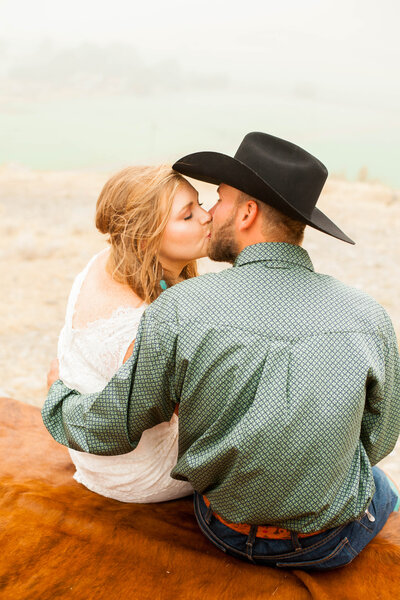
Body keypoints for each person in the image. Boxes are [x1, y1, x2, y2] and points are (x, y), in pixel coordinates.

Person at [43, 132, 400, 570]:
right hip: (326, 545)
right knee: (382, 486)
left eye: (218, 198)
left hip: (223, 529)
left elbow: (116, 422)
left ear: (248, 212)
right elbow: (378, 440)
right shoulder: (368, 317)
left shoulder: (180, 309)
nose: (211, 213)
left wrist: (57, 399)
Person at [51, 164, 211, 502]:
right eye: (187, 216)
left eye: (200, 204)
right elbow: (199, 420)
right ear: (144, 237)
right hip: (141, 470)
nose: (206, 216)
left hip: (93, 455)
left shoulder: (105, 261)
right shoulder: (145, 326)